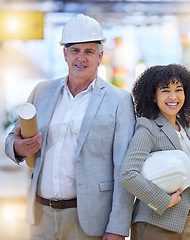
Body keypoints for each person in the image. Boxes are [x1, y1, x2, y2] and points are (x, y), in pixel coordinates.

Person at [5, 14, 136, 240]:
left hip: (89, 221)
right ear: (65, 54)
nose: (81, 58)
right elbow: (11, 140)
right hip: (41, 217)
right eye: (75, 50)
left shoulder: (119, 100)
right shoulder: (42, 91)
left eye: (89, 52)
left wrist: (117, 227)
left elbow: (124, 170)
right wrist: (18, 148)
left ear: (100, 56)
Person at [119, 64, 190, 240]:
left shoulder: (189, 128)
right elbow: (128, 174)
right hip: (156, 224)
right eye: (165, 90)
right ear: (153, 95)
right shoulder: (148, 127)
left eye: (178, 90)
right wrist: (164, 200)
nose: (173, 96)